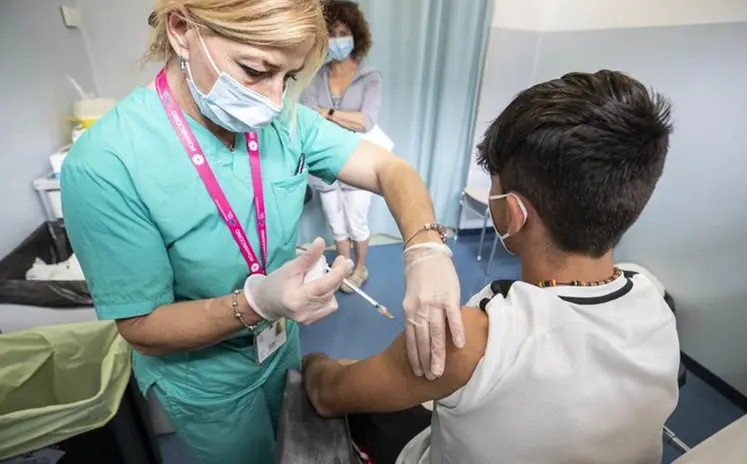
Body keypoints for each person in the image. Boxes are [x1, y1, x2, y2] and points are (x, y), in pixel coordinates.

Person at [59, 1, 464, 463]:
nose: (274, 100)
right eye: (255, 70)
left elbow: (389, 168)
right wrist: (254, 303)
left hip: (279, 344)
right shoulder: (106, 165)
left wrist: (426, 248)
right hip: (208, 382)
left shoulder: (283, 121)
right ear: (180, 30)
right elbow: (141, 325)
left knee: (292, 441)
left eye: (289, 78)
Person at [303, 70, 681, 464]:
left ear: (513, 212)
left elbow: (326, 392)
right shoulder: (653, 301)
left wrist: (314, 363)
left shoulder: (474, 339)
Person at [301, 0, 381, 292]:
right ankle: (344, 266)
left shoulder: (369, 77)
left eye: (343, 32)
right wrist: (339, 117)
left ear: (355, 35)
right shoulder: (316, 75)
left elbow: (367, 121)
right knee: (336, 221)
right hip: (324, 161)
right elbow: (308, 114)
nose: (337, 40)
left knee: (356, 220)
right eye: (331, 33)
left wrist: (328, 113)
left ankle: (360, 268)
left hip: (358, 160)